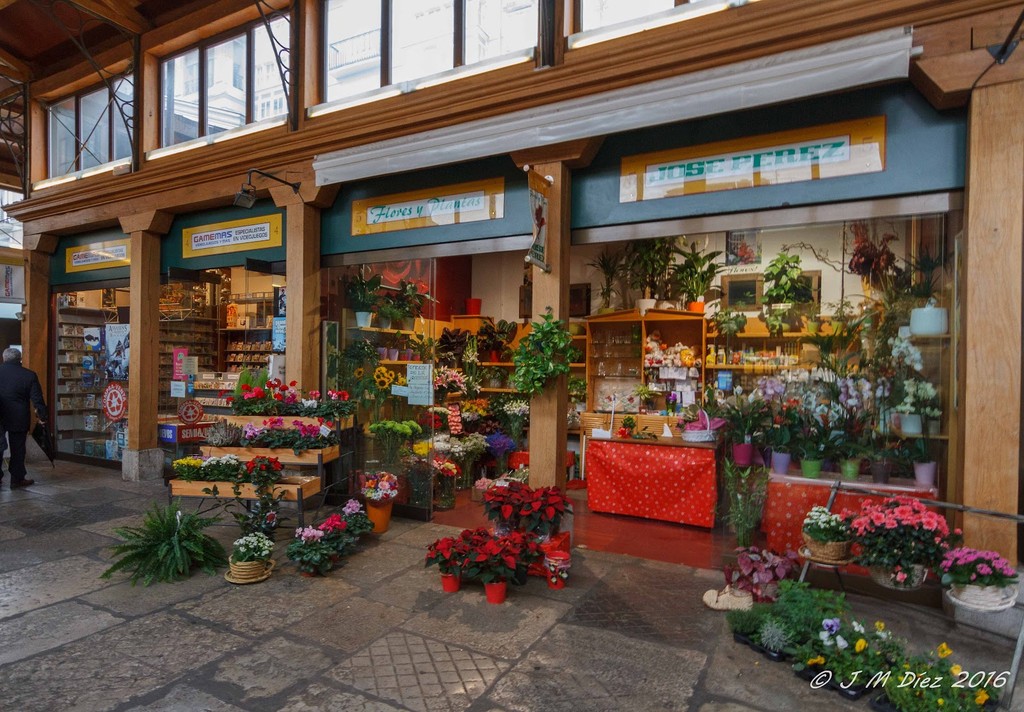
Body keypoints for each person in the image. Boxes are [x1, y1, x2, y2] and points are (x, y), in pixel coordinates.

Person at [0, 347, 48, 488]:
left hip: (0, 415)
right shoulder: (29, 375)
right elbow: (37, 399)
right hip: (19, 416)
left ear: (4, 358)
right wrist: (42, 416)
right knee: (18, 448)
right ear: (19, 359)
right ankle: (17, 479)